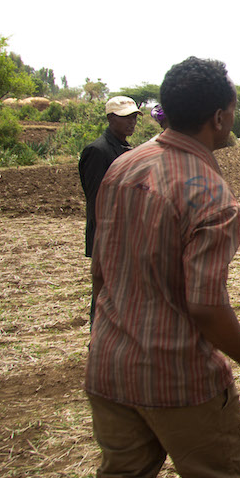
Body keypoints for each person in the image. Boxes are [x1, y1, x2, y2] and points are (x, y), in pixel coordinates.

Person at [49, 58, 240, 478]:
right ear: (221, 118)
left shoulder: (122, 167)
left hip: (110, 369)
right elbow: (205, 306)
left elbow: (100, 271)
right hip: (178, 379)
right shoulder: (209, 193)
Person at [78, 95, 140, 323]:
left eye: (134, 117)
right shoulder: (97, 151)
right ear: (110, 118)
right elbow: (97, 201)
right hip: (108, 238)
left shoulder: (124, 148)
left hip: (124, 236)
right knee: (104, 297)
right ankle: (96, 345)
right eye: (126, 118)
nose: (131, 122)